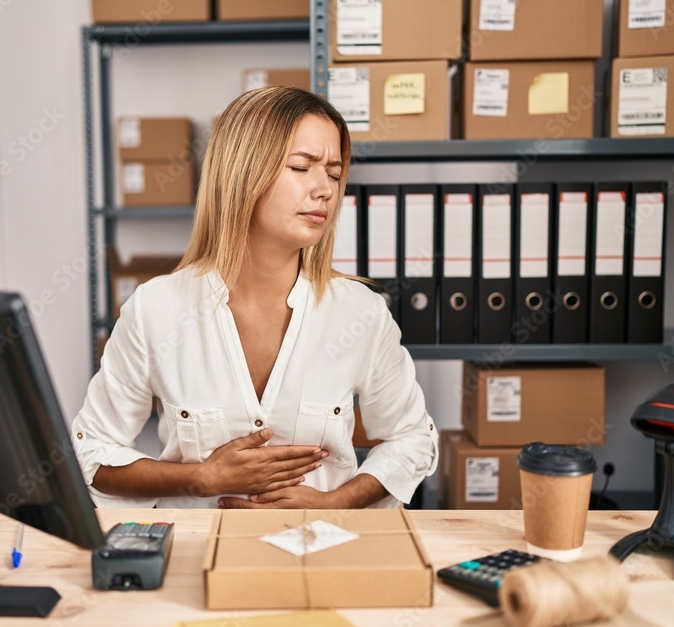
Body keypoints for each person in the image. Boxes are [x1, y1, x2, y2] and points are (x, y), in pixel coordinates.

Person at [72, 86, 438, 509]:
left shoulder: (360, 313)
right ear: (242, 173)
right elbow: (92, 452)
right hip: (198, 554)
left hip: (318, 553)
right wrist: (201, 479)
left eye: (334, 174)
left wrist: (335, 503)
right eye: (302, 167)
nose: (325, 190)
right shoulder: (156, 309)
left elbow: (412, 438)